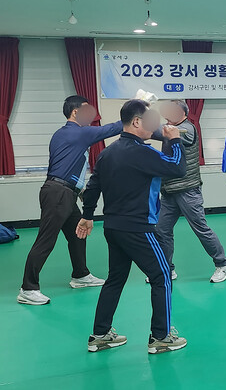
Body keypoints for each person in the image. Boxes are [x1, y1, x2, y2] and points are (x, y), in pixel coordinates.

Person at [76, 99, 188, 354]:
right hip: (138, 228)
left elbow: (92, 188)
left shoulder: (107, 153)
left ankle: (100, 335)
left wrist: (87, 215)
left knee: (115, 279)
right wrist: (174, 139)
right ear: (137, 122)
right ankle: (161, 337)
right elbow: (178, 168)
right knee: (162, 276)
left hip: (113, 228)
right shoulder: (143, 153)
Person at [17, 95, 122, 306]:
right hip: (58, 193)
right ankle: (28, 289)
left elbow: (68, 165)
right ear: (75, 112)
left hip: (65, 192)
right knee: (46, 240)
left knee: (77, 233)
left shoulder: (62, 134)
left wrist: (79, 190)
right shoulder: (78, 132)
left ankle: (80, 275)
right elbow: (113, 128)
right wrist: (137, 105)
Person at [152, 100, 226, 283]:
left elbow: (162, 132)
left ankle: (223, 264)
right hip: (170, 190)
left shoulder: (187, 129)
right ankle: (167, 269)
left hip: (187, 190)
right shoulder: (172, 127)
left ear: (183, 113)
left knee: (200, 229)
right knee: (162, 230)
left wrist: (143, 122)